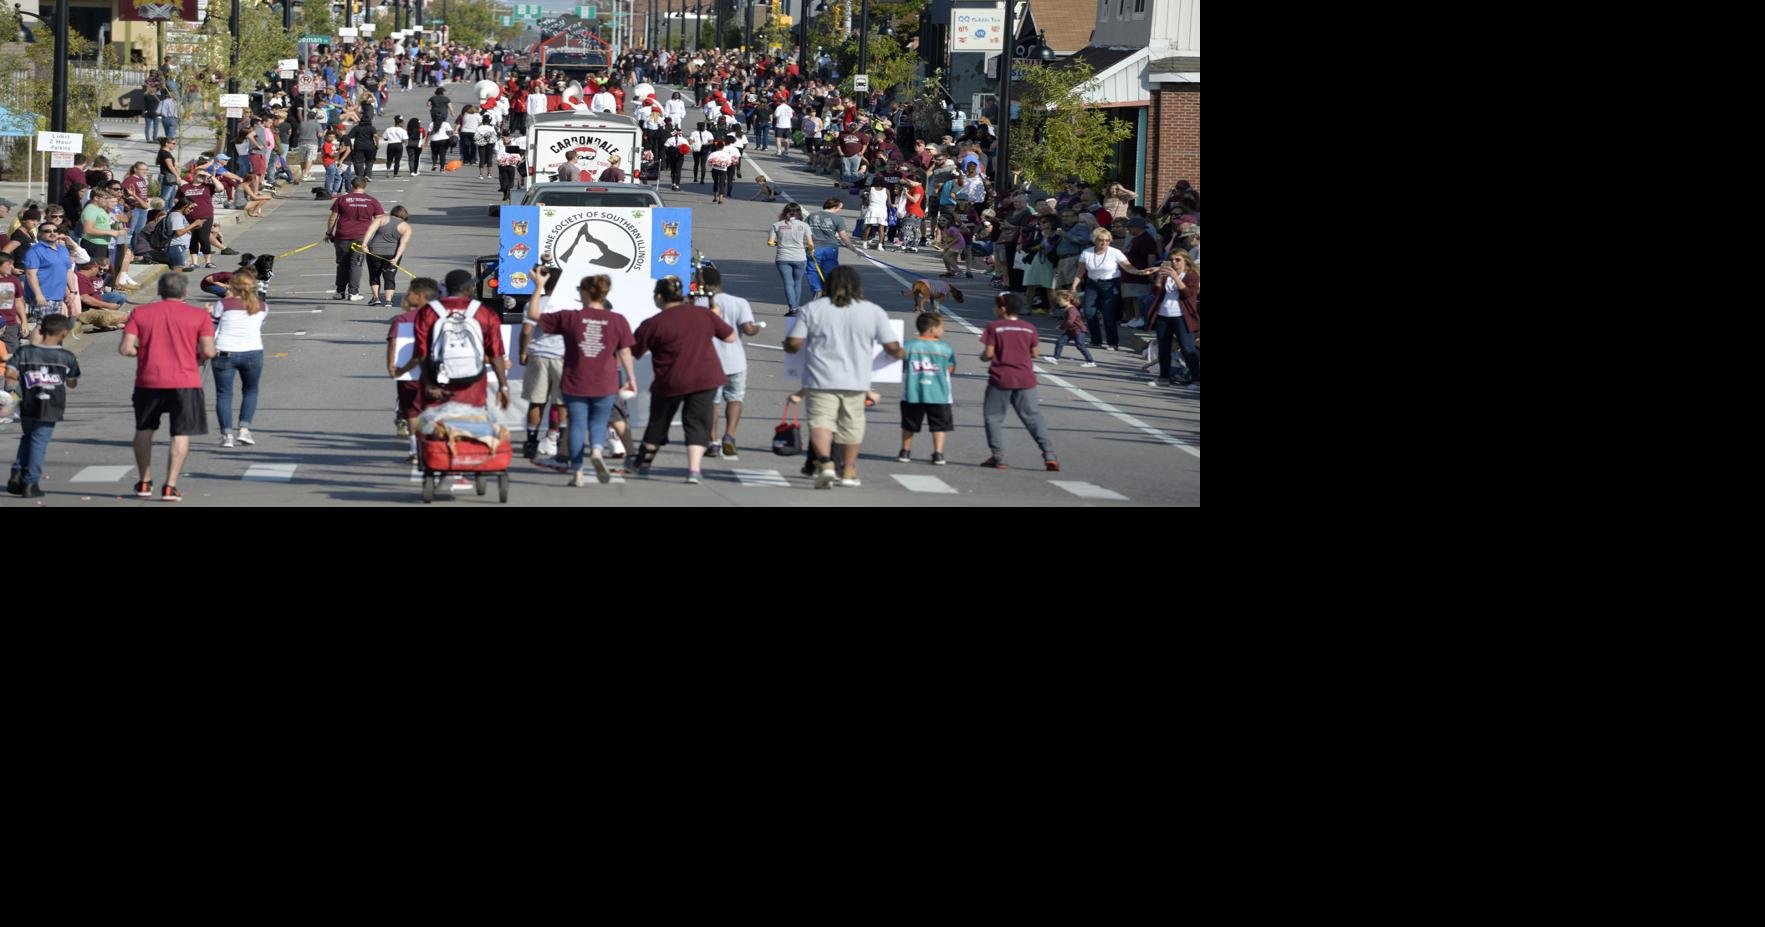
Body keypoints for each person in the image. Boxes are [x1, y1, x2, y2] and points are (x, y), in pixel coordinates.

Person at [784, 265, 904, 489]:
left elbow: (793, 344)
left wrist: (789, 346)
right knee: (852, 426)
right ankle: (848, 471)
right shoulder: (872, 311)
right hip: (856, 380)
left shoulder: (813, 309)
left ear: (828, 284)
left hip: (819, 379)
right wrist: (899, 353)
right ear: (857, 286)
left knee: (821, 423)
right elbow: (891, 346)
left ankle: (827, 464)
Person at [532, 271, 638, 486]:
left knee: (577, 424)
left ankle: (577, 473)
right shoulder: (617, 319)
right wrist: (631, 377)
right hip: (606, 381)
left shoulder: (570, 317)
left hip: (575, 380)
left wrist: (539, 286)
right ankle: (597, 451)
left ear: (587, 292)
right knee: (599, 422)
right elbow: (625, 351)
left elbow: (534, 315)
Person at [628, 276, 737, 484]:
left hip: (671, 379)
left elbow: (634, 351)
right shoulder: (704, 314)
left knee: (658, 421)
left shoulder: (653, 323)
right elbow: (730, 337)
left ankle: (644, 463)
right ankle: (694, 470)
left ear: (659, 297)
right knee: (697, 422)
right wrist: (717, 318)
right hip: (706, 377)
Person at [120, 273, 216, 502]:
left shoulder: (140, 313)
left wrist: (142, 352)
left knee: (144, 429)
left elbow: (126, 348)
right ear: (184, 293)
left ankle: (144, 480)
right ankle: (170, 485)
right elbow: (209, 351)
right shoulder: (199, 315)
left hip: (149, 380)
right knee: (180, 433)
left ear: (159, 291)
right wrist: (196, 355)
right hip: (185, 381)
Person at [979, 293, 1058, 471]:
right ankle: (1049, 454)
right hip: (1025, 378)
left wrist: (983, 358)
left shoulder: (994, 327)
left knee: (993, 417)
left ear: (1003, 308)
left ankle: (998, 456)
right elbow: (1035, 353)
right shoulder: (1029, 328)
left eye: (996, 306)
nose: (994, 309)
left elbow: (989, 354)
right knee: (1032, 417)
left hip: (1001, 377)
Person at [5, 313, 78, 498]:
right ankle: (31, 481)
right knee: (39, 442)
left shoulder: (24, 352)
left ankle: (17, 471)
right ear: (63, 333)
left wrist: (13, 391)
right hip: (51, 407)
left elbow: (11, 375)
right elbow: (72, 382)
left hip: (28, 403)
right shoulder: (66, 357)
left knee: (28, 437)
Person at [695, 266, 759, 461]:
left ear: (703, 282)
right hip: (735, 361)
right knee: (735, 398)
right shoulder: (739, 302)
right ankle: (730, 435)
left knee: (711, 403)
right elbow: (748, 330)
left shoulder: (697, 303)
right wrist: (757, 329)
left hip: (708, 362)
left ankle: (712, 441)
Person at [210, 268, 268, 449]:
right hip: (252, 350)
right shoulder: (262, 306)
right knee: (250, 390)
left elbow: (214, 325)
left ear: (231, 287)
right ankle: (244, 429)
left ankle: (227, 434)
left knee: (224, 393)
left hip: (225, 351)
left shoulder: (223, 304)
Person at [1070, 226, 1152, 352]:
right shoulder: (1087, 253)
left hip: (1110, 284)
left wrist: (1141, 272)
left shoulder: (1115, 252)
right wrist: (1074, 286)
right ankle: (1096, 340)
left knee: (1109, 314)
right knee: (1089, 312)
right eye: (1101, 240)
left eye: (1107, 240)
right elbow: (1080, 272)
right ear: (1095, 240)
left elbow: (1128, 267)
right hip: (1092, 284)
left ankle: (1112, 343)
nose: (1104, 243)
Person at [387, 277, 440, 464]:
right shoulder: (439, 317)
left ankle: (414, 451)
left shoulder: (402, 319)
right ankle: (435, 446)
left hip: (409, 374)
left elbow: (393, 342)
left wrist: (393, 368)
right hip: (438, 373)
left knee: (411, 411)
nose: (407, 295)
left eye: (410, 292)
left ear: (419, 296)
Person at [897, 311, 956, 466]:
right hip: (939, 394)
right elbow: (950, 368)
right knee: (939, 426)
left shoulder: (909, 345)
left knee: (909, 424)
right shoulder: (945, 348)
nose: (943, 330)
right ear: (932, 329)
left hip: (913, 393)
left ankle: (905, 451)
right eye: (941, 327)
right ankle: (938, 453)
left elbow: (899, 361)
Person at [1146, 251, 1200, 388]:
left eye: (1178, 260)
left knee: (1187, 347)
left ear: (1186, 261)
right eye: (1172, 260)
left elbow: (1187, 294)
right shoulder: (1166, 274)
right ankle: (1164, 377)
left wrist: (1176, 277)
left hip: (1182, 316)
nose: (1174, 262)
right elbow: (1157, 292)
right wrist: (1159, 278)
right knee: (1163, 348)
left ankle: (1196, 379)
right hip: (1164, 314)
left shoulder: (1191, 275)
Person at [326, 176, 383, 302]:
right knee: (356, 265)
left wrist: (329, 233)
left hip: (342, 236)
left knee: (342, 264)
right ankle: (353, 293)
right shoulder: (372, 201)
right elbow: (380, 219)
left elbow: (333, 218)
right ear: (364, 186)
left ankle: (340, 291)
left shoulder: (342, 199)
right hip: (362, 237)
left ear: (352, 186)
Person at [21, 221, 78, 326]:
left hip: (58, 295)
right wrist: (38, 295)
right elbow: (30, 274)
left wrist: (73, 291)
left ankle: (50, 343)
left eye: (55, 231)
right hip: (43, 296)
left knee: (53, 326)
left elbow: (68, 271)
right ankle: (37, 343)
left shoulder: (63, 249)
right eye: (47, 231)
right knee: (43, 326)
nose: (52, 233)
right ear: (40, 234)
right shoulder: (34, 251)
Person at [803, 197, 853, 302]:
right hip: (830, 248)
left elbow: (804, 231)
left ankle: (817, 290)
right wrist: (853, 249)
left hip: (814, 247)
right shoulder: (838, 219)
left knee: (812, 270)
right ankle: (830, 293)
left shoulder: (812, 216)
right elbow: (843, 236)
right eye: (840, 208)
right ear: (834, 207)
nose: (840, 210)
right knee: (830, 271)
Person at [769, 202, 814, 316]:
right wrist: (810, 250)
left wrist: (779, 243)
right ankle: (796, 306)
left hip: (783, 257)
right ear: (799, 213)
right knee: (797, 282)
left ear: (785, 212)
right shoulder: (804, 225)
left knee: (788, 283)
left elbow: (770, 242)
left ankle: (792, 308)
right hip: (800, 257)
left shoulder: (777, 225)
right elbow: (810, 244)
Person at [362, 205, 412, 307]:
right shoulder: (406, 227)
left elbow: (370, 230)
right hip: (392, 254)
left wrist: (364, 244)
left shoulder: (381, 219)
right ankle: (388, 301)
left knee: (374, 275)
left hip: (374, 251)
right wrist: (396, 258)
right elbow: (403, 244)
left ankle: (376, 298)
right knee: (389, 277)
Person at [1045, 289, 1097, 367]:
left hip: (1079, 331)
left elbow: (1070, 321)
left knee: (1080, 345)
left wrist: (1062, 326)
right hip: (1071, 330)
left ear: (1067, 300)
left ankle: (1091, 361)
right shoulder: (1068, 309)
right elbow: (1069, 322)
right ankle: (1055, 358)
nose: (1058, 302)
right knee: (1060, 342)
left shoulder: (1071, 310)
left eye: (1059, 300)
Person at [0, 252, 26, 357]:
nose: (12, 267)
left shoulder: (13, 280)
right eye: (9, 264)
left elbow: (19, 301)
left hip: (10, 325)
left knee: (12, 355)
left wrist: (24, 322)